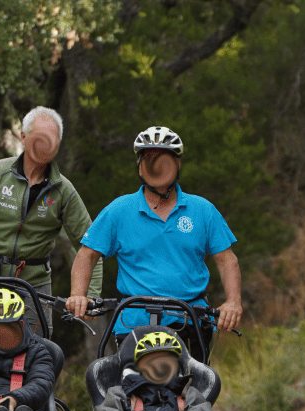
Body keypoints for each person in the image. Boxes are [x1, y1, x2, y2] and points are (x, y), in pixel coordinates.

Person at [65, 126, 242, 362]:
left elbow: (227, 259)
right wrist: (78, 295)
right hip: (134, 321)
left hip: (190, 319)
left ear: (177, 164)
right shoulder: (119, 210)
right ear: (139, 166)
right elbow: (87, 255)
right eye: (149, 159)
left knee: (197, 390)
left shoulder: (203, 210)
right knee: (122, 390)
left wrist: (233, 302)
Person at [0, 106, 101, 335]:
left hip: (33, 291)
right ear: (23, 137)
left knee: (42, 360)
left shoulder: (64, 191)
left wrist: (89, 295)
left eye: (52, 139)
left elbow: (92, 245)